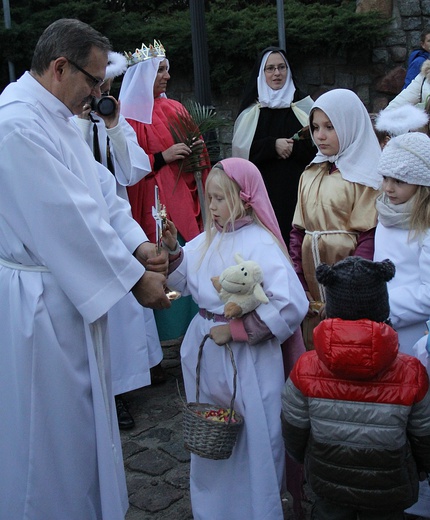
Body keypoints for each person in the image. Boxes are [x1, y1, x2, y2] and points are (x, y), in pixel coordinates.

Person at [0, 18, 171, 519]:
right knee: (48, 436)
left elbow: (97, 190)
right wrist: (137, 281)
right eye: (94, 80)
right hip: (38, 310)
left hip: (64, 299)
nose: (99, 92)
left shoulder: (52, 116)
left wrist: (139, 245)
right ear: (59, 67)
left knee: (78, 426)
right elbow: (66, 219)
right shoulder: (15, 125)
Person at [161, 157, 308, 520]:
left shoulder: (261, 243)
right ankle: (213, 508)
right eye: (209, 199)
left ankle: (258, 507)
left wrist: (241, 330)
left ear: (245, 198)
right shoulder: (205, 240)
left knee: (255, 432)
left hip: (249, 358)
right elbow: (184, 282)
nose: (211, 207)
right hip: (206, 354)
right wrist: (173, 250)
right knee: (210, 432)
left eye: (220, 199)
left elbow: (291, 303)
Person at [281, 256, 430, 520]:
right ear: (382, 308)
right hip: (389, 487)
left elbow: (294, 428)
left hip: (329, 480)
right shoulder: (411, 372)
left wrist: (310, 460)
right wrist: (417, 469)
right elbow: (424, 436)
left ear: (333, 307)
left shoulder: (306, 367)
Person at [73, 51, 165, 429]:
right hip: (82, 224)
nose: (100, 95)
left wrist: (112, 125)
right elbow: (73, 169)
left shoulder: (114, 118)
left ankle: (122, 387)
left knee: (124, 310)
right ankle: (102, 388)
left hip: (115, 218)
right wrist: (81, 123)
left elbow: (133, 171)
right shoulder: (65, 123)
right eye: (97, 88)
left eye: (106, 89)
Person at [119, 41, 210, 342]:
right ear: (144, 75)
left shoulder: (176, 107)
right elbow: (126, 165)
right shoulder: (129, 117)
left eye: (167, 69)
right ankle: (161, 341)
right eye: (160, 70)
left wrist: (197, 152)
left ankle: (193, 331)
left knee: (184, 257)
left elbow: (197, 148)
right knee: (162, 261)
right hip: (153, 204)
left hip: (184, 196)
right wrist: (162, 157)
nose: (166, 76)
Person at [289, 88, 381, 350]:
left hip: (349, 278)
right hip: (312, 283)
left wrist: (349, 286)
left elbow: (368, 236)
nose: (320, 135)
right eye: (315, 127)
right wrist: (298, 278)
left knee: (349, 344)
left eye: (330, 126)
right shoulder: (310, 173)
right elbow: (298, 231)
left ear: (349, 123)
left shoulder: (366, 176)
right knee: (316, 345)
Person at [232, 46, 316, 248]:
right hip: (263, 194)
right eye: (270, 69)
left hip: (299, 193)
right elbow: (242, 155)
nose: (277, 73)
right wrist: (272, 146)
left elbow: (320, 147)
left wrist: (293, 148)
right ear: (262, 74)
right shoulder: (251, 113)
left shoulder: (305, 107)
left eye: (281, 67)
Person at [373, 132, 430, 357]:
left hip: (414, 334)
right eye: (386, 178)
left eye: (399, 181)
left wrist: (382, 304)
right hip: (381, 327)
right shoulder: (387, 214)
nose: (388, 188)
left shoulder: (424, 228)